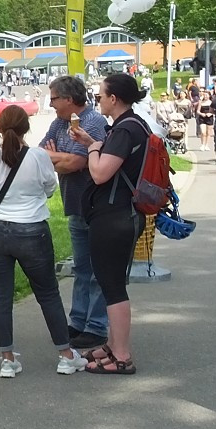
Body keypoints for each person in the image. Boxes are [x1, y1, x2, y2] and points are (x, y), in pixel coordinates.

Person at [0, 106, 84, 378]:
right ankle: (66, 355)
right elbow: (48, 190)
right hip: (32, 230)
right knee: (47, 294)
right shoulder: (39, 157)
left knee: (0, 296)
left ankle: (7, 359)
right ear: (26, 128)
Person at [68, 73, 150, 375]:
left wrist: (91, 149)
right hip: (121, 215)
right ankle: (114, 346)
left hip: (115, 217)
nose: (97, 100)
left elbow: (101, 173)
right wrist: (93, 141)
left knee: (113, 287)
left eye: (100, 95)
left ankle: (122, 355)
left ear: (113, 98)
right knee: (110, 283)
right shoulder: (133, 125)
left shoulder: (125, 130)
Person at [40, 76, 110, 353]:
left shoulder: (93, 123)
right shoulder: (58, 123)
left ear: (69, 99)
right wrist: (61, 160)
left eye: (54, 98)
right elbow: (41, 155)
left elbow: (78, 161)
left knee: (97, 272)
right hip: (75, 206)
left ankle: (96, 326)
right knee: (81, 269)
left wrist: (58, 159)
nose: (52, 103)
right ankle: (79, 321)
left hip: (95, 208)